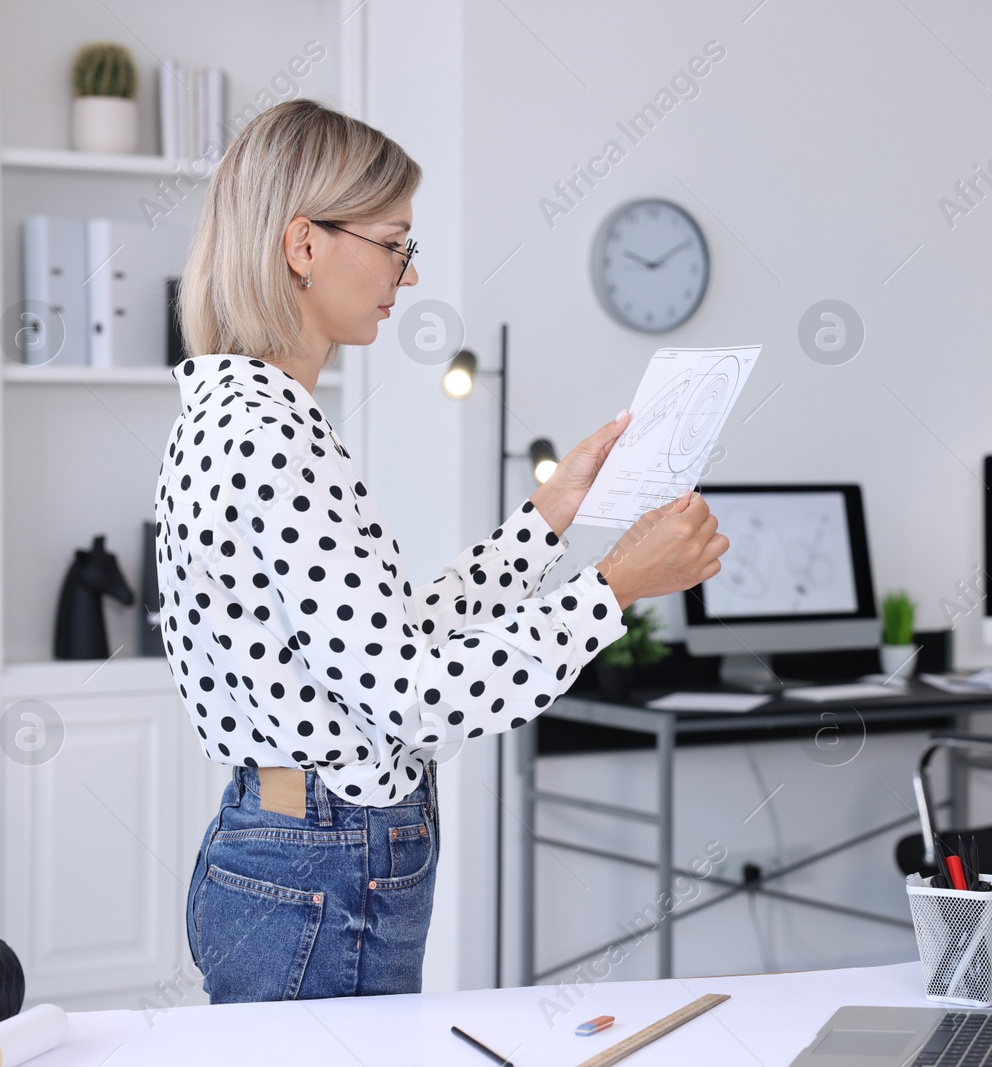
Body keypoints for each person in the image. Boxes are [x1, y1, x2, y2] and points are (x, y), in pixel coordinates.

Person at [157, 98, 728, 1003]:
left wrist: (544, 521)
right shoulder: (267, 434)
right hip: (322, 868)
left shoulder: (240, 415)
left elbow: (388, 646)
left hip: (303, 852)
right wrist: (615, 586)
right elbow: (418, 697)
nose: (408, 275)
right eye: (394, 243)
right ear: (304, 245)